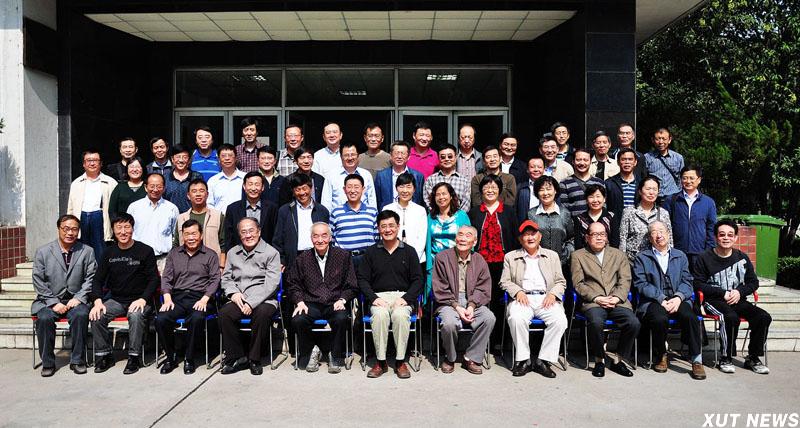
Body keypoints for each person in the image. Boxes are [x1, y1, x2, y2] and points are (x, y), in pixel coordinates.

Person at [692, 219, 771, 374]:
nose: (726, 238)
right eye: (722, 235)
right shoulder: (704, 258)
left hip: (738, 299)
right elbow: (697, 284)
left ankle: (753, 357)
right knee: (730, 317)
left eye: (730, 235)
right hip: (713, 300)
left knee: (763, 317)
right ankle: (725, 357)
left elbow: (753, 282)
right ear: (716, 237)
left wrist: (739, 292)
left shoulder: (742, 257)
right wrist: (723, 293)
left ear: (735, 238)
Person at [632, 221, 705, 380]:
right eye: (654, 232)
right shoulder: (642, 257)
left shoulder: (680, 255)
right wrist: (661, 299)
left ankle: (696, 360)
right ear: (649, 238)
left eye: (661, 231)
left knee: (690, 317)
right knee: (659, 318)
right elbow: (641, 284)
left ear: (668, 233)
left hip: (678, 298)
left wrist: (679, 298)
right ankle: (661, 355)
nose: (658, 235)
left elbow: (687, 281)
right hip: (653, 301)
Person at [89, 213, 158, 375]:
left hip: (140, 300)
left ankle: (134, 357)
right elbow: (97, 280)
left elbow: (154, 279)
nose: (123, 231)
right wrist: (97, 301)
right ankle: (104, 355)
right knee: (97, 315)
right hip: (117, 300)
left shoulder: (145, 251)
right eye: (119, 227)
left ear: (133, 229)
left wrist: (143, 299)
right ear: (113, 230)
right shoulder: (108, 253)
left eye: (127, 227)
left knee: (135, 315)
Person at [500, 220, 568, 378]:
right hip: (522, 298)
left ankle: (543, 360)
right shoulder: (511, 257)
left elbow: (561, 281)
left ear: (540, 236)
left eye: (533, 234)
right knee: (516, 318)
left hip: (546, 297)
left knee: (560, 321)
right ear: (520, 239)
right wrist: (517, 292)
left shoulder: (552, 256)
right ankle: (524, 360)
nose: (530, 237)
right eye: (526, 235)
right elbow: (505, 281)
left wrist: (553, 294)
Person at [358, 210, 423, 378]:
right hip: (379, 298)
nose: (388, 230)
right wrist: (374, 298)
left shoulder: (409, 251)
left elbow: (418, 280)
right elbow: (362, 280)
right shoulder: (371, 252)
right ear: (378, 228)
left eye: (391, 225)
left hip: (402, 297)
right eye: (383, 226)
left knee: (400, 316)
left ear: (398, 226)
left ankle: (400, 361)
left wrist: (405, 298)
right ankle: (381, 362)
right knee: (379, 316)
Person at [287, 222, 358, 374]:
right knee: (298, 320)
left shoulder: (343, 256)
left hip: (335, 301)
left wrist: (343, 299)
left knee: (341, 318)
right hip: (311, 302)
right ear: (311, 238)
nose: (320, 240)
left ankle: (335, 354)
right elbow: (293, 284)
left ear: (330, 238)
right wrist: (299, 301)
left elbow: (352, 284)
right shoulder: (302, 258)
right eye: (316, 236)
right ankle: (312, 351)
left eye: (324, 236)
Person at [571, 222, 639, 377]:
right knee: (596, 322)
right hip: (593, 302)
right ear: (587, 237)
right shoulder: (578, 256)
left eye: (602, 234)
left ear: (607, 237)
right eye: (595, 234)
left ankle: (618, 360)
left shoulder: (619, 255)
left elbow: (625, 280)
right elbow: (578, 284)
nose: (599, 238)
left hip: (617, 301)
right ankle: (599, 360)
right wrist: (597, 298)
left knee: (633, 323)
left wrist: (616, 298)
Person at [31, 215, 95, 377]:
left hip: (76, 299)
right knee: (44, 318)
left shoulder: (87, 251)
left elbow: (91, 278)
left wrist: (79, 298)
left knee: (80, 315)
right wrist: (53, 302)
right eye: (66, 229)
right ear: (58, 229)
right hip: (49, 300)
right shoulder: (43, 252)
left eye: (74, 229)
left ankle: (78, 360)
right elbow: (38, 280)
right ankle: (48, 363)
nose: (70, 233)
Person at [156, 219, 220, 375]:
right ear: (182, 236)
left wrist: (205, 298)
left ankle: (189, 358)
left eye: (194, 234)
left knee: (197, 318)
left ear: (201, 235)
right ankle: (171, 357)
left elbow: (215, 280)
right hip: (177, 297)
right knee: (161, 319)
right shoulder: (174, 254)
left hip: (200, 297)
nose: (191, 238)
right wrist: (167, 298)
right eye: (187, 234)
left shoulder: (210, 255)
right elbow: (166, 278)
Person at [218, 217, 281, 376]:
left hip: (264, 299)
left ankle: (254, 358)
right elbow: (226, 278)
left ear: (259, 232)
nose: (248, 235)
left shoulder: (271, 253)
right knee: (225, 314)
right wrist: (233, 293)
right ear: (239, 235)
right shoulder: (233, 252)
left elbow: (271, 284)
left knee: (262, 314)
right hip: (239, 297)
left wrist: (251, 303)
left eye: (251, 231)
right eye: (243, 232)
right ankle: (237, 357)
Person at [432, 225, 495, 374]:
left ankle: (471, 357)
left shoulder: (479, 260)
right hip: (448, 302)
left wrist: (471, 306)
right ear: (455, 238)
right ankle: (450, 357)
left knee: (489, 318)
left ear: (474, 241)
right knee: (449, 323)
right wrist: (457, 307)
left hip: (473, 301)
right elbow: (440, 287)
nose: (463, 239)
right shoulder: (442, 257)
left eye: (468, 235)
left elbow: (483, 288)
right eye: (460, 235)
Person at [468, 174, 519, 345]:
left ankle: (499, 340)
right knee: (481, 299)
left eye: (494, 187)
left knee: (499, 301)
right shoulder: (474, 212)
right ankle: (481, 339)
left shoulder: (509, 212)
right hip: (480, 264)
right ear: (481, 191)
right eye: (486, 187)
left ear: (500, 190)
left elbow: (515, 237)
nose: (490, 190)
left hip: (503, 264)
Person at [66, 148, 118, 263]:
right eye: (89, 160)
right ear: (84, 164)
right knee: (82, 252)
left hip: (99, 218)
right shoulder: (76, 183)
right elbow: (71, 207)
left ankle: (101, 273)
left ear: (101, 163)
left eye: (95, 160)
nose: (92, 163)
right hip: (81, 219)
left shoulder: (110, 182)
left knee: (100, 252)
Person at [663, 164, 717, 268]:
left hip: (700, 252)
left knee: (699, 278)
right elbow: (664, 226)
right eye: (685, 178)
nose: (688, 181)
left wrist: (709, 250)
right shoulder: (671, 200)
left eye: (692, 178)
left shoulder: (708, 202)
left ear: (699, 180)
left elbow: (711, 228)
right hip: (676, 251)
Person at [424, 182, 471, 299]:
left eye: (444, 194)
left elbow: (469, 239)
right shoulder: (430, 217)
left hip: (457, 262)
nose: (441, 197)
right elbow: (428, 241)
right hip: (435, 263)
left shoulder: (461, 215)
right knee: (434, 297)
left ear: (451, 196)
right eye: (437, 195)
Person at [126, 173, 179, 272]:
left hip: (164, 260)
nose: (155, 189)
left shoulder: (172, 208)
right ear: (145, 187)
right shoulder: (134, 207)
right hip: (138, 258)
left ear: (164, 188)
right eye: (152, 186)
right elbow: (128, 232)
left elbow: (175, 235)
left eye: (159, 186)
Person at [329, 174, 379, 269]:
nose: (352, 191)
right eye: (349, 187)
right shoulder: (336, 212)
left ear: (363, 189)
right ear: (344, 190)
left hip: (367, 259)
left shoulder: (372, 211)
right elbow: (331, 239)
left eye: (356, 187)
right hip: (343, 260)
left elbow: (377, 237)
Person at [619, 176, 673, 262]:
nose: (651, 192)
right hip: (633, 261)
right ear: (640, 191)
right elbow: (622, 239)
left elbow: (669, 239)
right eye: (648, 189)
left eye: (654, 189)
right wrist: (622, 262)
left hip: (657, 261)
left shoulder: (663, 213)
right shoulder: (629, 212)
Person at [175, 178, 226, 266]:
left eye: (201, 191)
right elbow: (176, 245)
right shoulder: (181, 218)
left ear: (207, 194)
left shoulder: (218, 216)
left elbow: (224, 245)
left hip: (212, 266)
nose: (198, 194)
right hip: (186, 267)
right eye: (194, 191)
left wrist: (221, 266)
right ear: (188, 195)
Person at [224, 171, 278, 251]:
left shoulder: (272, 208)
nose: (253, 188)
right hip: (240, 253)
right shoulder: (232, 209)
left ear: (262, 187)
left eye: (257, 184)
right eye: (250, 184)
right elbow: (229, 237)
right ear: (244, 186)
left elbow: (276, 235)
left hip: (266, 253)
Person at [527, 176, 575, 267]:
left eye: (549, 189)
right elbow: (527, 239)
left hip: (561, 265)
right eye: (541, 190)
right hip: (537, 264)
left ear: (555, 191)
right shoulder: (531, 214)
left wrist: (566, 256)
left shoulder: (565, 213)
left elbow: (571, 238)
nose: (545, 193)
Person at [383, 173, 427, 269]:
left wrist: (413, 259)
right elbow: (384, 235)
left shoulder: (420, 210)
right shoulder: (387, 209)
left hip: (417, 261)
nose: (405, 190)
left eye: (408, 187)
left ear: (414, 189)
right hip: (392, 260)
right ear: (396, 188)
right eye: (401, 186)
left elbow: (421, 239)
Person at [321, 141, 377, 211]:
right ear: (341, 157)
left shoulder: (366, 175)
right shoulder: (331, 176)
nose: (350, 158)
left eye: (353, 154)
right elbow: (326, 203)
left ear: (358, 156)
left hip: (363, 216)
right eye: (346, 155)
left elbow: (372, 201)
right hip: (339, 217)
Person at [374, 140, 425, 209]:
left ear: (408, 156)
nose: (399, 156)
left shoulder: (418, 176)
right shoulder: (381, 176)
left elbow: (420, 201)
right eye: (396, 153)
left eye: (403, 153)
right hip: (388, 214)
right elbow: (377, 200)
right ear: (390, 155)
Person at [605, 147, 640, 245]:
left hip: (637, 226)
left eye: (630, 159)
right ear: (618, 162)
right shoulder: (609, 183)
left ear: (635, 162)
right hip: (616, 226)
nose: (627, 162)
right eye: (623, 159)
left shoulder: (642, 183)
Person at [558, 148, 606, 218]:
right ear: (573, 162)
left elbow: (604, 206)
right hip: (574, 223)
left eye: (585, 160)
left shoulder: (599, 182)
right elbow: (564, 209)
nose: (582, 163)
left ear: (590, 162)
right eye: (578, 160)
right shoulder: (564, 183)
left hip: (596, 223)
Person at [423, 144, 471, 212]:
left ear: (456, 158)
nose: (447, 159)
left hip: (459, 218)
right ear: (438, 159)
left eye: (450, 156)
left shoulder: (464, 181)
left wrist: (457, 216)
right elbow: (428, 202)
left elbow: (466, 204)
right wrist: (440, 216)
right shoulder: (430, 180)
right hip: (436, 217)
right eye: (443, 157)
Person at [574, 184, 617, 249]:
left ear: (604, 199)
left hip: (608, 253)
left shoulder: (610, 216)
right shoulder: (580, 219)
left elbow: (615, 242)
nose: (595, 200)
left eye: (598, 196)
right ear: (586, 200)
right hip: (586, 253)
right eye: (591, 197)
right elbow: (578, 244)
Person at [163, 144, 203, 214]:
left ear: (189, 160)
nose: (181, 160)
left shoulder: (196, 177)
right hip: (169, 216)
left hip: (191, 217)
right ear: (172, 159)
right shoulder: (165, 178)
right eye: (178, 157)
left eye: (184, 157)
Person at [644, 127, 684, 197]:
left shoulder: (678, 158)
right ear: (653, 140)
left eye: (664, 139)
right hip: (654, 197)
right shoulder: (647, 158)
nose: (661, 142)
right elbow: (643, 178)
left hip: (673, 196)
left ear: (669, 140)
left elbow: (682, 178)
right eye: (658, 139)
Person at [207, 144, 246, 212]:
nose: (227, 158)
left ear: (236, 158)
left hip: (242, 217)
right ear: (219, 159)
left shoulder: (245, 178)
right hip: (219, 217)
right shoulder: (213, 181)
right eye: (223, 156)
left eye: (230, 155)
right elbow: (209, 203)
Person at [515, 155, 546, 223]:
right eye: (532, 167)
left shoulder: (550, 188)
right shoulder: (520, 188)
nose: (536, 170)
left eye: (539, 167)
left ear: (544, 169)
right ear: (527, 170)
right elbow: (514, 210)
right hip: (524, 226)